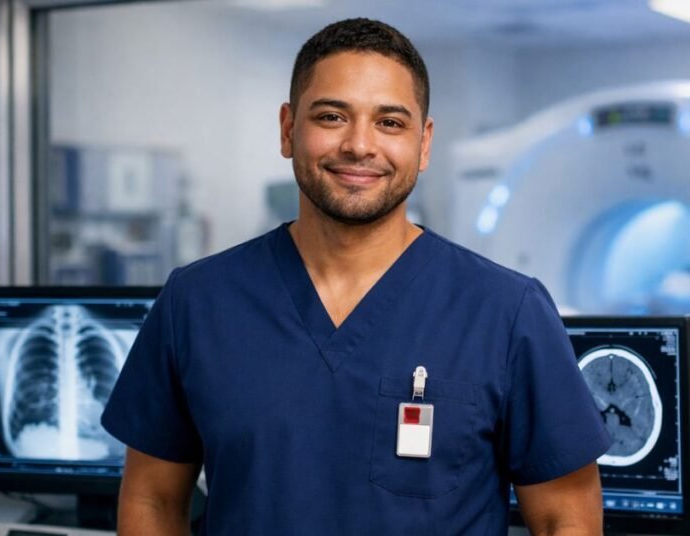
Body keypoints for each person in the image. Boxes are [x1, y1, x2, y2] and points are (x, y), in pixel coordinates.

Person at [101, 17, 611, 535]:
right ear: (287, 129)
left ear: (424, 142)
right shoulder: (196, 302)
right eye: (331, 116)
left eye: (390, 122)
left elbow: (564, 518)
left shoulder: (506, 311)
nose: (359, 145)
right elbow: (153, 501)